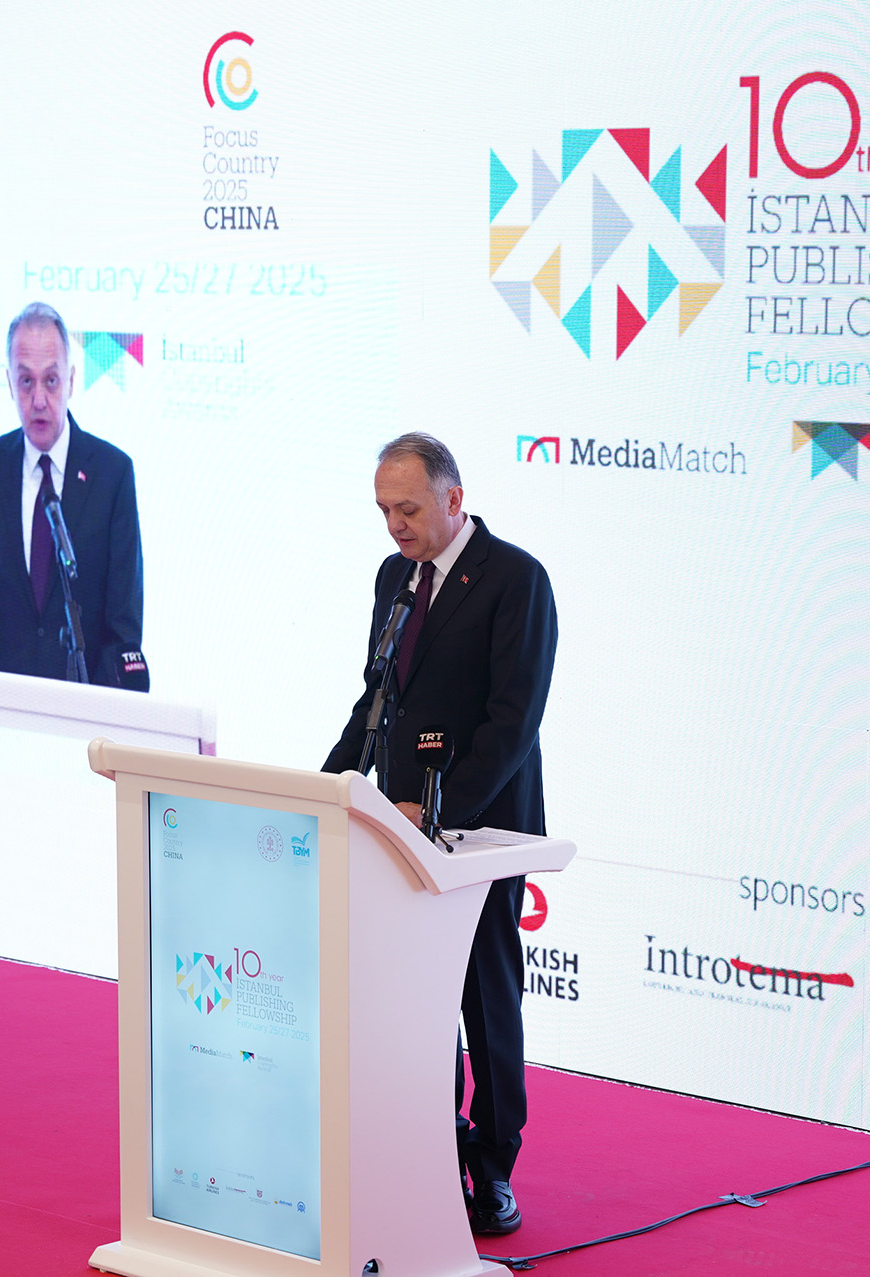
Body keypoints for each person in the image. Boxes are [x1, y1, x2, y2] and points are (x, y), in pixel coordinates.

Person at [322, 432, 557, 1236]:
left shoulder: (516, 579)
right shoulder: (394, 577)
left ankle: (493, 1165)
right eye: (384, 510)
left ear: (454, 498)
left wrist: (439, 810)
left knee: (484, 1001)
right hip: (395, 830)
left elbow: (512, 722)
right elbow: (375, 699)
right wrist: (329, 784)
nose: (395, 525)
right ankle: (429, 1152)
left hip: (480, 833)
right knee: (413, 1007)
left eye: (409, 508)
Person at [0, 303, 147, 689]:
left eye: (51, 381)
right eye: (26, 381)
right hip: (4, 708)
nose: (39, 399)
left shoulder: (112, 474)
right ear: (10, 384)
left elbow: (123, 627)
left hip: (84, 711)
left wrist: (94, 711)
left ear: (70, 381)